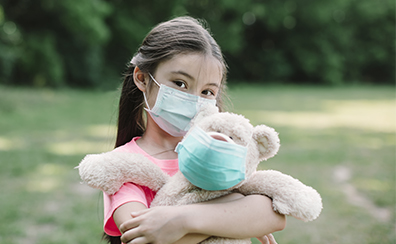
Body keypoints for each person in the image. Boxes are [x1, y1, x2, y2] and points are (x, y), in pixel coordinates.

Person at [102, 16, 286, 244]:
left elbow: (273, 214)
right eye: (180, 83)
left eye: (207, 92)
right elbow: (142, 237)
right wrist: (234, 219)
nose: (193, 100)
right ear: (142, 78)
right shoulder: (123, 166)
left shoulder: (219, 152)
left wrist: (181, 223)